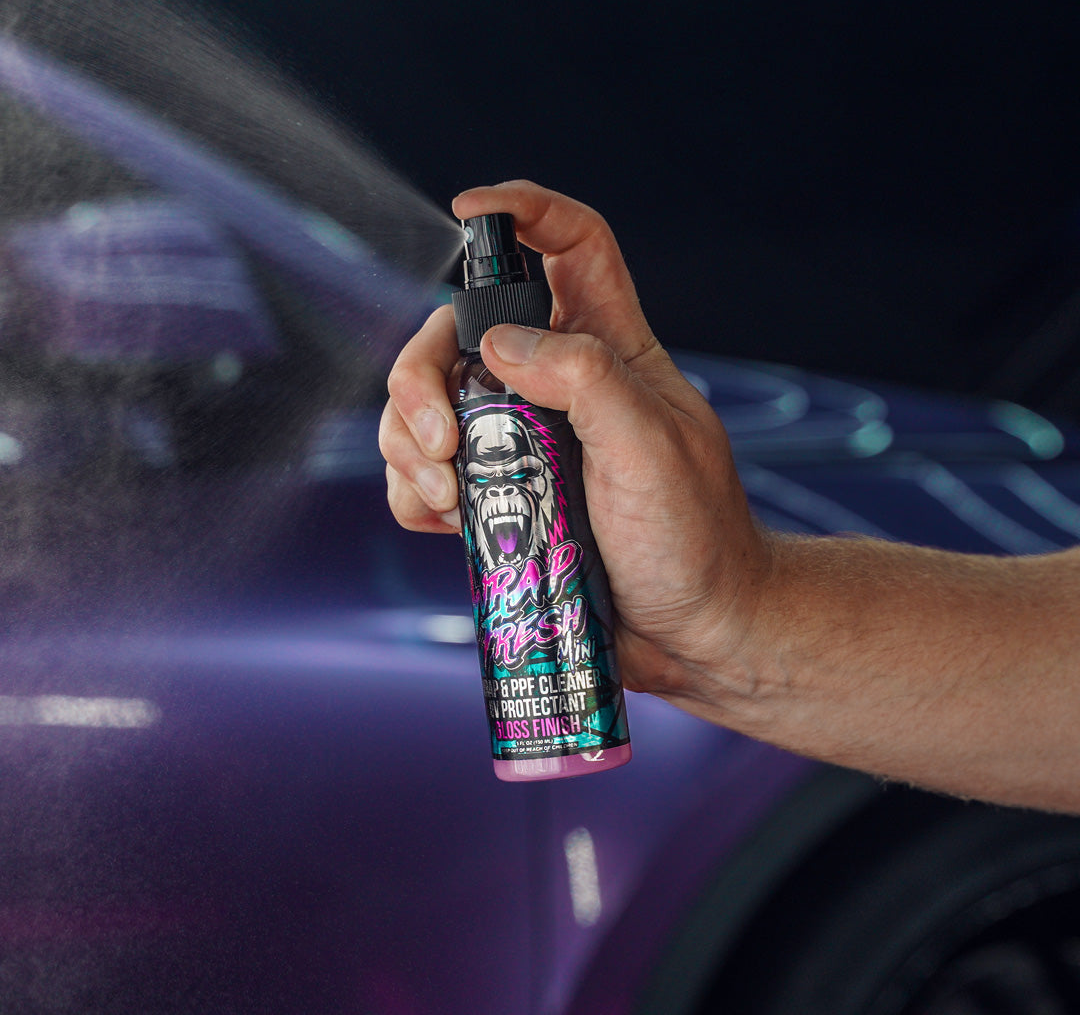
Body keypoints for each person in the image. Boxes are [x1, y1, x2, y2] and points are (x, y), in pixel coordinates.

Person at [379, 180, 1080, 814]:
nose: (502, 482)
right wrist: (732, 612)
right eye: (491, 473)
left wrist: (730, 611)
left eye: (519, 470)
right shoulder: (476, 387)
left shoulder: (505, 392)